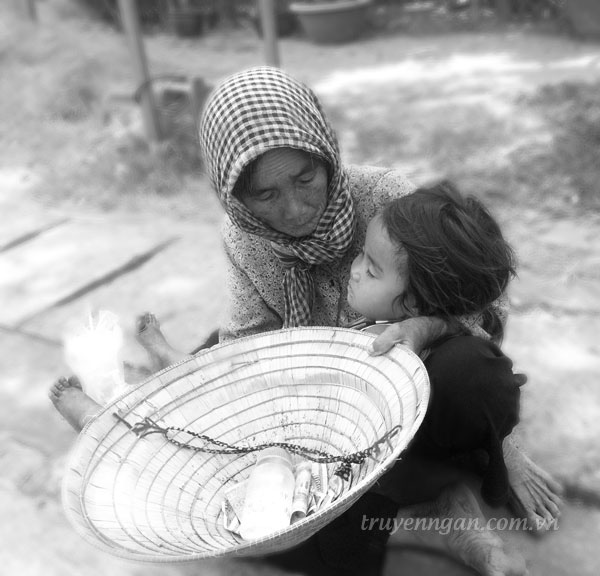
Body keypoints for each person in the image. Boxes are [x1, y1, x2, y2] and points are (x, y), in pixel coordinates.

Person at [49, 66, 561, 574]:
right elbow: (251, 341)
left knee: (471, 374)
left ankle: (442, 505)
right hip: (319, 395)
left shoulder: (384, 197)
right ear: (236, 197)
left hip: (404, 375)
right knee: (266, 520)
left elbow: (480, 303)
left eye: (305, 178)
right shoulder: (244, 238)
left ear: (325, 153)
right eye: (265, 195)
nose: (295, 210)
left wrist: (498, 439)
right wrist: (239, 402)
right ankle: (131, 411)